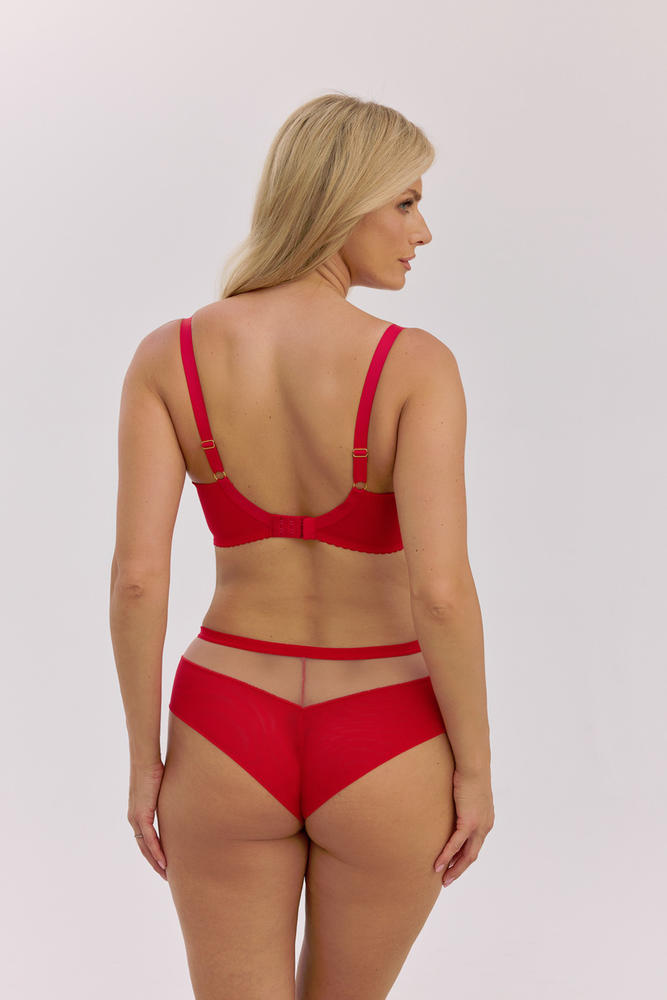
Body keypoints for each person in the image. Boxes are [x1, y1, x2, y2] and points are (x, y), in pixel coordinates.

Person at [110, 92, 494, 1000]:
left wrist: (144, 763)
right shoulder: (414, 366)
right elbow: (441, 593)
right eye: (405, 202)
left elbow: (137, 582)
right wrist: (475, 771)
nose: (423, 232)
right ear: (341, 200)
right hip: (385, 731)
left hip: (224, 726)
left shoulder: (169, 356)